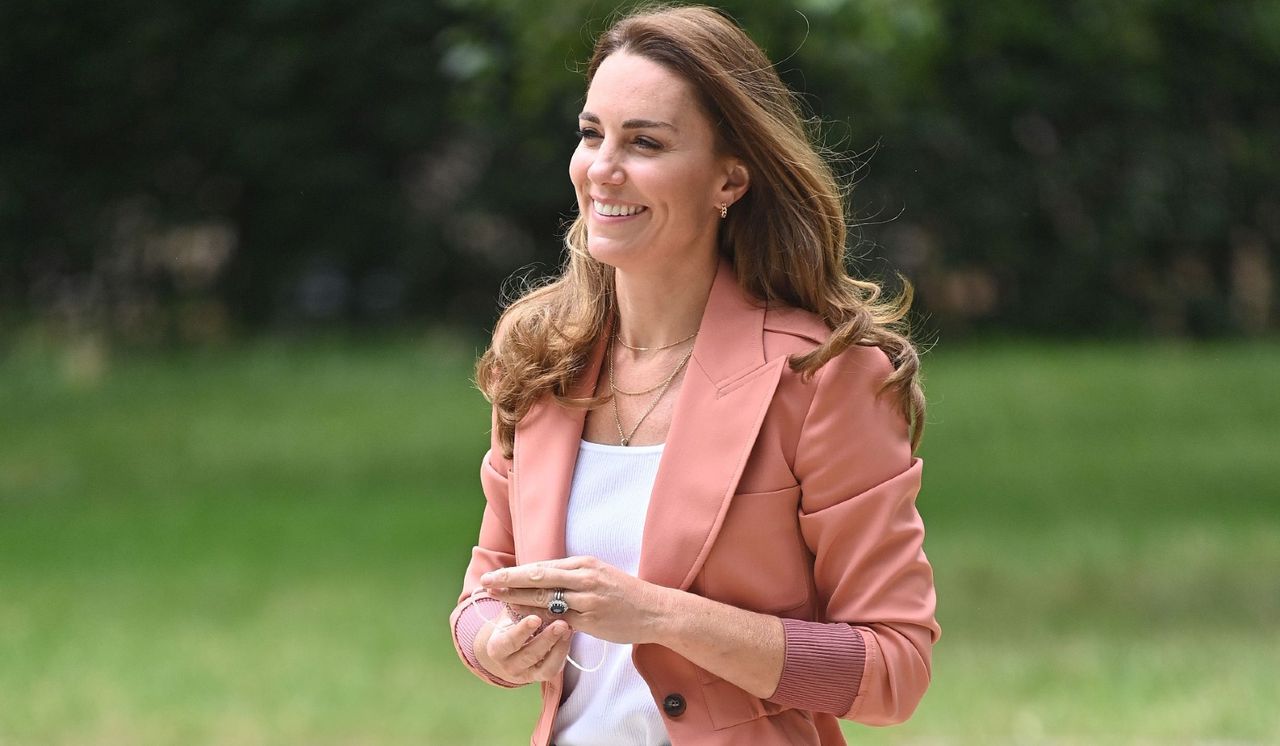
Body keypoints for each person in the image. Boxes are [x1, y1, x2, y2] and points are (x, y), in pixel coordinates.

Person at [448, 5, 939, 745]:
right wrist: (495, 645)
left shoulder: (823, 378)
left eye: (644, 142)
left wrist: (658, 616)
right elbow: (486, 588)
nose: (602, 168)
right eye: (591, 134)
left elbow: (892, 669)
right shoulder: (540, 361)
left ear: (729, 181)